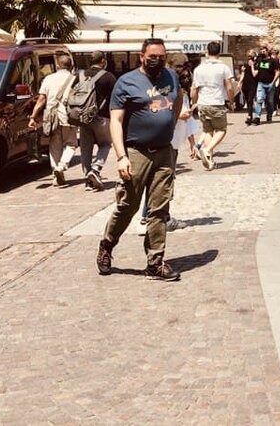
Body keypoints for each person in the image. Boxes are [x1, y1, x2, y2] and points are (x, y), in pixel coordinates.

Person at [96, 38, 183, 282]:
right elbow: (116, 121)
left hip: (164, 152)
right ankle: (107, 245)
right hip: (135, 152)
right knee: (128, 206)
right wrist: (121, 156)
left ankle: (155, 262)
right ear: (141, 56)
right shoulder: (127, 82)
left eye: (162, 56)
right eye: (152, 56)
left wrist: (171, 124)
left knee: (159, 209)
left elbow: (177, 100)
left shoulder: (171, 77)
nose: (158, 60)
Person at [30, 53, 79, 186]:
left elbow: (41, 100)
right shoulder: (75, 79)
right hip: (68, 116)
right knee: (71, 143)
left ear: (58, 65)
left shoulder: (48, 79)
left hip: (51, 116)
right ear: (71, 66)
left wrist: (33, 116)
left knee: (54, 145)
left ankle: (55, 174)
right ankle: (61, 166)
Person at [76, 51, 117, 191]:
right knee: (105, 144)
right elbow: (116, 98)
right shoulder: (109, 77)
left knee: (85, 149)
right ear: (103, 61)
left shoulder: (80, 75)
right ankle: (96, 169)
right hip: (102, 117)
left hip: (83, 118)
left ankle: (88, 180)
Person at [191, 41, 235, 167]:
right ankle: (207, 149)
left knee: (208, 130)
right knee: (221, 129)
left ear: (207, 52)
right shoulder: (223, 68)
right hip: (217, 103)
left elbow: (194, 88)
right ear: (219, 53)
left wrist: (194, 103)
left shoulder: (199, 69)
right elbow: (229, 87)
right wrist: (231, 101)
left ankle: (209, 159)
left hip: (202, 103)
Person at [252, 48, 279, 124]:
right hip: (261, 83)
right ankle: (257, 117)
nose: (263, 52)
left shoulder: (273, 61)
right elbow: (256, 71)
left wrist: (273, 82)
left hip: (270, 83)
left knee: (270, 101)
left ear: (268, 52)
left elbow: (277, 72)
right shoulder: (259, 60)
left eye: (264, 51)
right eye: (261, 51)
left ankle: (269, 115)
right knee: (259, 99)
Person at [240, 50, 258, 121]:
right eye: (248, 56)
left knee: (250, 100)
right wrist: (239, 83)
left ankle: (249, 116)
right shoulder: (245, 64)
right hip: (245, 84)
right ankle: (250, 114)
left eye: (251, 56)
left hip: (253, 85)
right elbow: (243, 74)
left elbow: (254, 74)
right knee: (248, 101)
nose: (249, 58)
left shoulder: (256, 64)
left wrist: (252, 66)